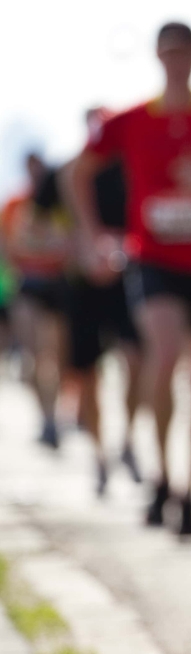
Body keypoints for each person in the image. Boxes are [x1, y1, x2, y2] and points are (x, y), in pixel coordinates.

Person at [68, 22, 191, 538]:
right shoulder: (130, 119)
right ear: (159, 57)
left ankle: (188, 488)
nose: (177, 62)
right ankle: (159, 472)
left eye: (185, 52)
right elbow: (77, 171)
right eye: (169, 53)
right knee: (164, 353)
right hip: (154, 259)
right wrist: (94, 235)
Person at [55, 109, 145, 496]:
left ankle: (127, 440)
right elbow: (36, 224)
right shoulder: (66, 172)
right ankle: (98, 456)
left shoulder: (132, 167)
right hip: (83, 285)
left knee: (138, 362)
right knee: (87, 374)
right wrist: (75, 245)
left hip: (128, 281)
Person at [0, 153, 71, 449]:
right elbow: (7, 244)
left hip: (57, 283)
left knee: (53, 356)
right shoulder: (15, 204)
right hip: (27, 283)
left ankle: (56, 416)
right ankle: (46, 418)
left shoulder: (62, 202)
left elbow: (69, 242)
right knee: (32, 358)